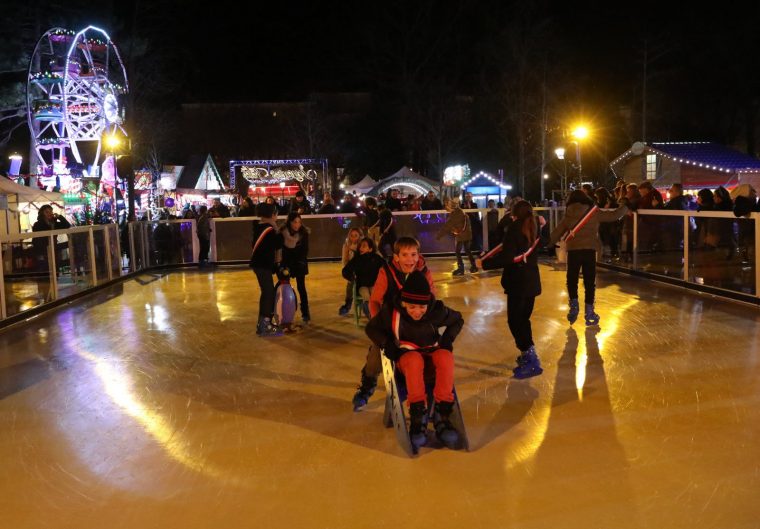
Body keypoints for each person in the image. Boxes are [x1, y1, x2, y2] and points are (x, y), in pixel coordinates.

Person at [365, 270, 464, 449]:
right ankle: (418, 417)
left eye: (422, 307)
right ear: (403, 302)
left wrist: (447, 341)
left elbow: (457, 320)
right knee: (414, 360)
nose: (417, 312)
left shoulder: (436, 310)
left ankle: (443, 414)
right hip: (408, 359)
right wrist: (388, 345)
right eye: (412, 307)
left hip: (431, 355)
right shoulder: (392, 312)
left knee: (445, 356)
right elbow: (372, 329)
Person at [351, 236, 435, 410]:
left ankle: (429, 395)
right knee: (376, 355)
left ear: (419, 255)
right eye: (405, 255)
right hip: (391, 323)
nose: (410, 259)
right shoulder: (387, 272)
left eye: (413, 254)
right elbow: (374, 300)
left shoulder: (424, 272)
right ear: (396, 257)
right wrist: (378, 323)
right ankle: (367, 387)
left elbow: (432, 300)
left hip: (416, 325)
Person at [549, 190, 628, 326]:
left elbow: (557, 231)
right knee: (589, 281)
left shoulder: (569, 213)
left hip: (573, 251)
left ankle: (574, 305)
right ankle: (589, 311)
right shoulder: (593, 212)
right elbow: (613, 215)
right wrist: (626, 206)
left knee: (572, 279)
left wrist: (546, 244)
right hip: (589, 250)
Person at [500, 200, 544, 379]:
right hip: (531, 282)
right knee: (523, 320)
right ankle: (528, 353)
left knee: (515, 321)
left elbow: (507, 257)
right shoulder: (535, 227)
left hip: (518, 283)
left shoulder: (514, 228)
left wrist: (483, 263)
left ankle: (530, 356)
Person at [249, 202, 284, 337]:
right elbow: (278, 243)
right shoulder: (268, 229)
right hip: (262, 265)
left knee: (267, 292)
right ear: (272, 214)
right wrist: (277, 229)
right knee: (268, 293)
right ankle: (265, 324)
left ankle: (263, 322)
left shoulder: (261, 227)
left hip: (260, 265)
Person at [342, 236, 386, 318]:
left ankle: (378, 316)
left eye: (364, 246)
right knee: (366, 296)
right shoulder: (357, 259)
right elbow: (345, 271)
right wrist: (352, 278)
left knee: (375, 295)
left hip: (374, 285)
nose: (361, 248)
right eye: (360, 246)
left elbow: (386, 267)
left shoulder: (376, 258)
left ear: (370, 249)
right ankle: (371, 317)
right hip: (362, 286)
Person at [279, 212, 311, 323]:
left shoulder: (303, 233)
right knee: (283, 287)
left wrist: (301, 262)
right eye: (294, 222)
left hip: (299, 263)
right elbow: (280, 249)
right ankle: (283, 311)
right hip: (287, 262)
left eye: (299, 222)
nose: (297, 225)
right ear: (289, 222)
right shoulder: (283, 232)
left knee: (301, 287)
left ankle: (305, 313)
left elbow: (305, 250)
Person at [437, 198, 477, 275]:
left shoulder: (457, 213)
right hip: (465, 234)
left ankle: (461, 268)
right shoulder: (457, 211)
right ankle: (473, 266)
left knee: (458, 251)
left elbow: (447, 226)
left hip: (462, 235)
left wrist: (439, 235)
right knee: (467, 250)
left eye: (446, 207)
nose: (446, 209)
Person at [32, 204, 71, 272]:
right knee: (44, 269)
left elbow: (67, 225)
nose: (49, 214)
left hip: (53, 249)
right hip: (42, 251)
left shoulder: (54, 224)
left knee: (55, 268)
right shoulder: (38, 224)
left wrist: (59, 217)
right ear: (42, 214)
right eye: (47, 212)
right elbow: (38, 236)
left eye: (50, 211)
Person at [338, 227, 363, 316]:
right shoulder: (346, 245)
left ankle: (364, 304)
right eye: (351, 236)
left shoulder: (363, 245)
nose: (353, 238)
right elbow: (345, 260)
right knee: (350, 286)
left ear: (360, 236)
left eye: (356, 235)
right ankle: (347, 306)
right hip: (351, 270)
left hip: (362, 270)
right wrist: (348, 272)